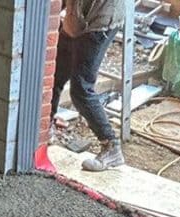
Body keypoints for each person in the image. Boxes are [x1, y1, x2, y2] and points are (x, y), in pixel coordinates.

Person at [51, 0, 126, 172]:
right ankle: (44, 128)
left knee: (81, 88)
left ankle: (111, 147)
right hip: (77, 18)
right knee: (55, 74)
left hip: (99, 20)